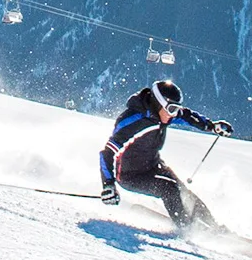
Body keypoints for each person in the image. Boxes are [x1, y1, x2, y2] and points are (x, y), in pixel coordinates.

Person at [98, 80, 232, 231]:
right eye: (172, 109)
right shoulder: (133, 121)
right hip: (130, 175)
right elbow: (107, 153)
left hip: (153, 165)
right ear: (158, 103)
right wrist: (108, 185)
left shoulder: (164, 114)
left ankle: (213, 227)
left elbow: (187, 116)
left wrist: (212, 126)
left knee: (183, 192)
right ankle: (188, 228)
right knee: (169, 188)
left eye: (176, 109)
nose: (174, 114)